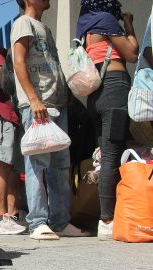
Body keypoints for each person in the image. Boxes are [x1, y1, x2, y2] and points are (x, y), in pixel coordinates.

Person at [12, 0, 89, 240]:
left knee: (60, 166)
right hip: (38, 105)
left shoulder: (45, 28)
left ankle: (60, 221)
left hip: (56, 105)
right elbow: (18, 61)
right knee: (38, 163)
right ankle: (37, 222)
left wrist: (67, 96)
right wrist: (34, 99)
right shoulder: (23, 23)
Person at [77, 0, 138, 240]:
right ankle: (107, 219)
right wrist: (129, 25)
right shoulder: (107, 20)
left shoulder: (86, 25)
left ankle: (109, 214)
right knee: (113, 155)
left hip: (95, 95)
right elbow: (132, 53)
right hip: (113, 89)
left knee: (107, 154)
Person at [0, 48, 26, 235]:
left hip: (13, 118)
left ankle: (12, 215)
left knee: (12, 168)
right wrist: (17, 68)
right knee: (2, 165)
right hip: (3, 117)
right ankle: (0, 218)